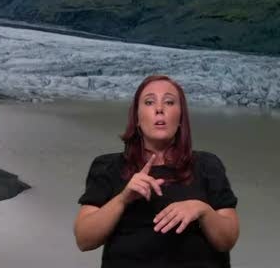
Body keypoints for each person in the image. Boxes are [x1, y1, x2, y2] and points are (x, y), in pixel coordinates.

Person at [73, 74, 240, 267]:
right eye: (149, 102)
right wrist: (122, 199)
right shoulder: (108, 166)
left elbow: (227, 240)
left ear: (180, 118)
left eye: (169, 102)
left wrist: (203, 210)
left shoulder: (207, 165)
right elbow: (84, 240)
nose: (159, 109)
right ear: (136, 117)